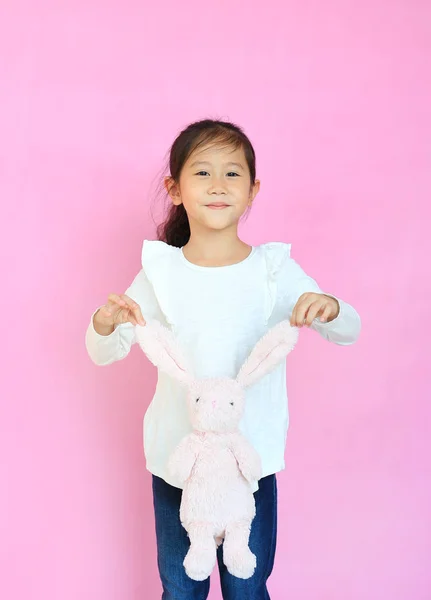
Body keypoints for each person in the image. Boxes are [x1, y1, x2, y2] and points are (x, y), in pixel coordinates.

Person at [85, 119, 361, 600]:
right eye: (202, 173)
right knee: (180, 585)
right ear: (175, 189)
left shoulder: (272, 269)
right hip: (178, 461)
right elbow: (105, 350)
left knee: (248, 584)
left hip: (249, 462)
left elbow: (348, 329)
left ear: (253, 191)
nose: (218, 186)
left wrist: (331, 307)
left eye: (233, 174)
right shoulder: (161, 272)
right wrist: (106, 323)